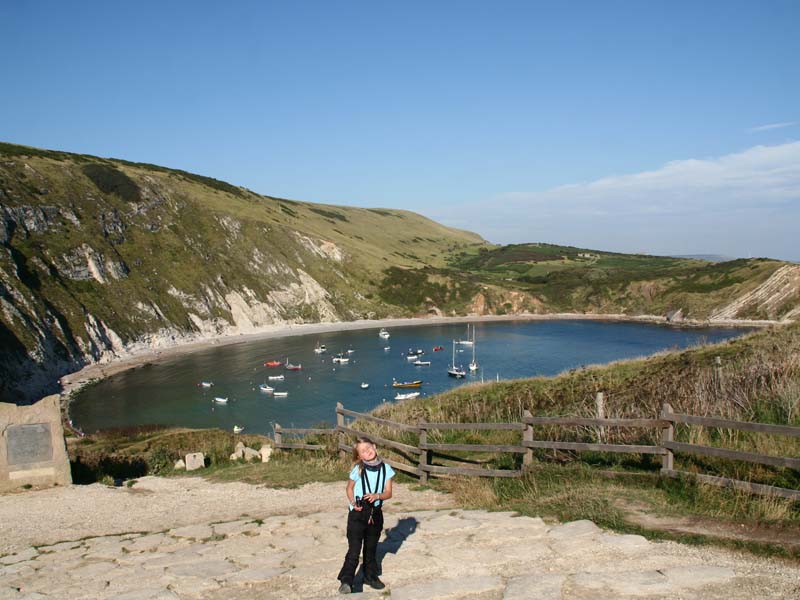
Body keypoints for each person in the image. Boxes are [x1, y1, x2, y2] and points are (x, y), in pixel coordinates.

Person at [337, 436, 395, 594]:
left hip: (375, 514)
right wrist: (352, 503)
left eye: (369, 448)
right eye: (363, 451)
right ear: (359, 456)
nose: (367, 452)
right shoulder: (358, 469)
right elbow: (349, 489)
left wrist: (378, 496)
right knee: (354, 549)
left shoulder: (386, 469)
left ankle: (370, 576)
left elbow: (388, 493)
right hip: (358, 513)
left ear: (375, 447)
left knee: (371, 548)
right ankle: (347, 580)